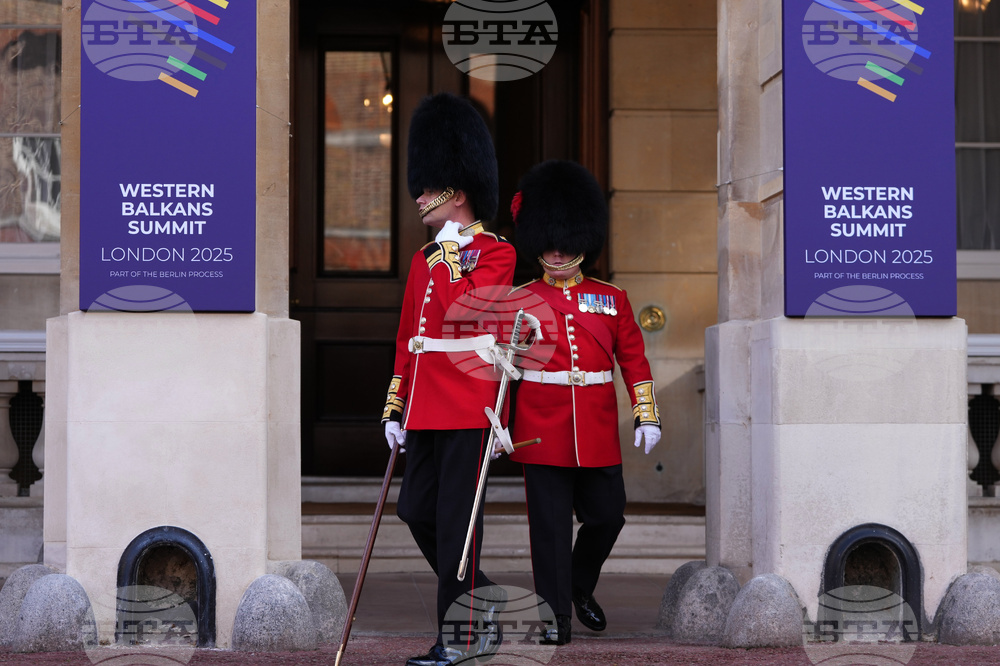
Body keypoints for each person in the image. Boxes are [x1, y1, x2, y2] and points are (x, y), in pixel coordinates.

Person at [381, 93, 516, 666]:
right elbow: (408, 338)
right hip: (426, 407)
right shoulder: (422, 260)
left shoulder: (497, 254)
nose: (418, 195)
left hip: (468, 404)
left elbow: (469, 314)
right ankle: (481, 598)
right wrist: (395, 405)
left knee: (459, 524)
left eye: (428, 186)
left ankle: (457, 637)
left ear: (456, 191)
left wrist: (452, 257)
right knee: (415, 511)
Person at [508, 160, 662, 645]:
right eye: (549, 243)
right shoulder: (520, 299)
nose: (557, 252)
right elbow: (501, 371)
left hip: (595, 426)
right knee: (550, 529)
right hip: (540, 427)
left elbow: (633, 361)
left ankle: (577, 584)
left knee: (607, 516)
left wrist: (646, 414)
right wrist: (497, 425)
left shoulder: (611, 299)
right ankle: (556, 616)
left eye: (566, 242)